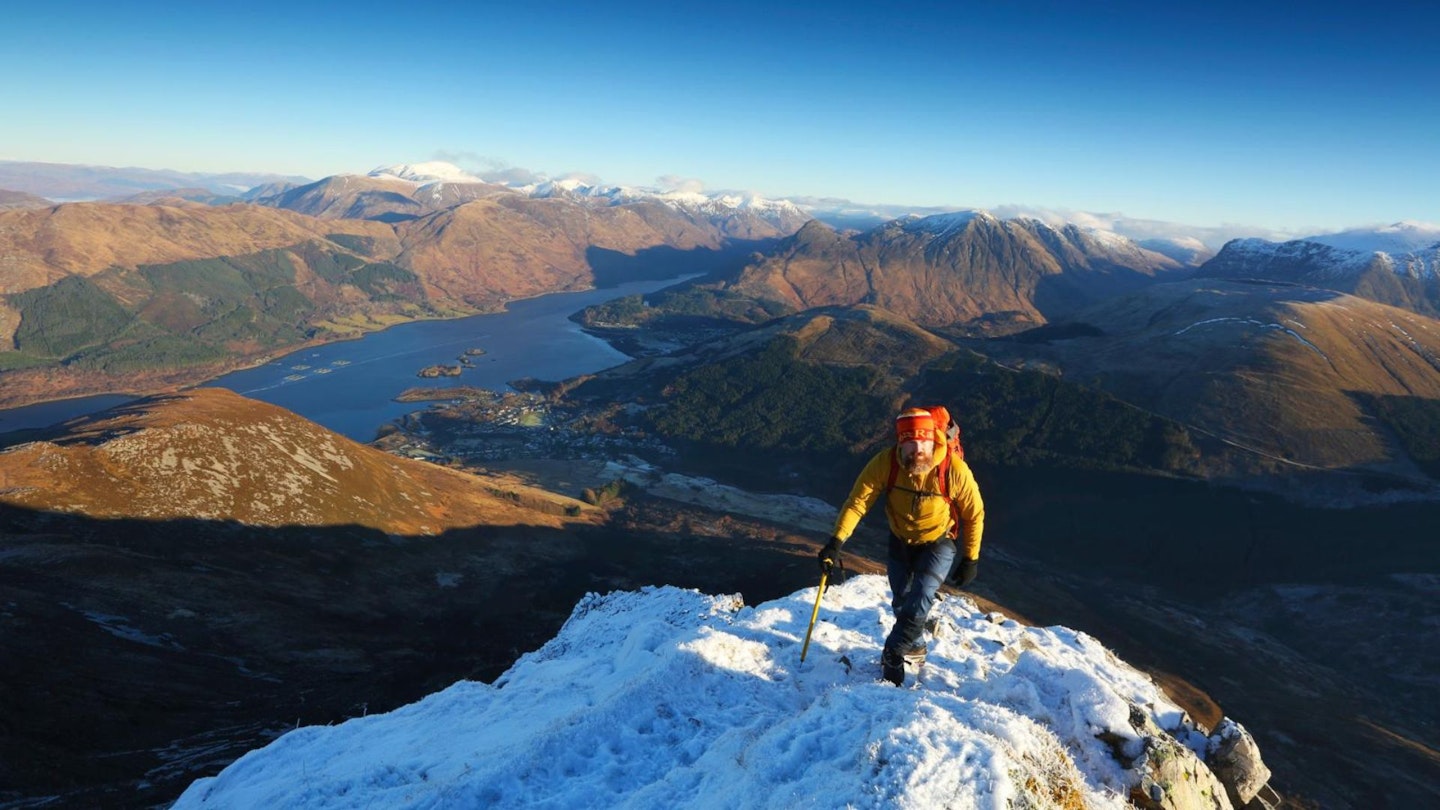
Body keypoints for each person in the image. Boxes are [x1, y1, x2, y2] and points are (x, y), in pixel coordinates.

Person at [818, 407, 984, 686]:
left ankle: (892, 654)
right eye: (911, 443)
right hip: (900, 540)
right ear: (900, 442)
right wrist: (835, 542)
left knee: (919, 602)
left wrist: (971, 558)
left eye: (924, 441)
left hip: (938, 542)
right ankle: (916, 646)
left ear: (933, 438)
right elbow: (858, 502)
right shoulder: (886, 464)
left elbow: (974, 513)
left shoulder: (953, 470)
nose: (918, 449)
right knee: (901, 603)